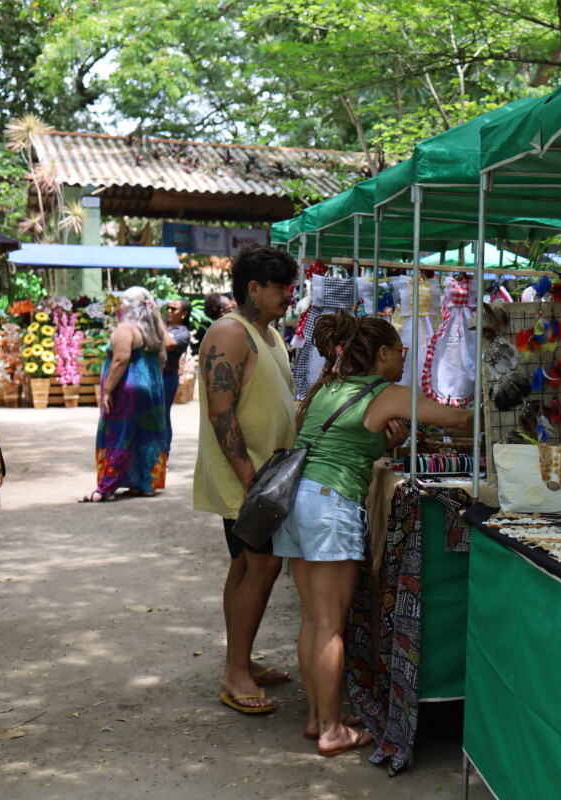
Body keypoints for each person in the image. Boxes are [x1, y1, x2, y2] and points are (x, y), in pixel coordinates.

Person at [274, 311, 472, 757]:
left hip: (296, 504)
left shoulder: (330, 387)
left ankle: (317, 717)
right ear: (382, 353)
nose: (404, 358)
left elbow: (345, 441)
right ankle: (331, 731)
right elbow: (459, 420)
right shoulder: (387, 393)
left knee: (314, 619)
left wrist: (388, 443)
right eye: (401, 351)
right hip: (329, 506)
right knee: (331, 625)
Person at [194, 246, 298, 714]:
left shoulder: (268, 335)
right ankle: (235, 671)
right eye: (281, 287)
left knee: (245, 566)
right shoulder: (229, 332)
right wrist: (249, 480)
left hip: (265, 478)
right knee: (263, 567)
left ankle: (241, 659)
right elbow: (222, 412)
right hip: (248, 481)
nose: (289, 295)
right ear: (253, 288)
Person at [80, 286, 168, 503]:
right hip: (150, 386)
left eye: (122, 302)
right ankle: (145, 484)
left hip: (127, 388)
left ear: (129, 305)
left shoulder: (126, 328)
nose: (120, 306)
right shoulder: (154, 329)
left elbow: (120, 359)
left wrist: (107, 390)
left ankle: (106, 488)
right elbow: (162, 358)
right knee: (145, 433)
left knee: (117, 434)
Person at [162, 298, 192, 449]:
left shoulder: (183, 333)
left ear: (184, 314)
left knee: (163, 414)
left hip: (167, 377)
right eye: (168, 307)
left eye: (173, 309)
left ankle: (164, 452)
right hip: (152, 375)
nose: (169, 311)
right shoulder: (163, 326)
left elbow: (170, 344)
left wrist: (158, 323)